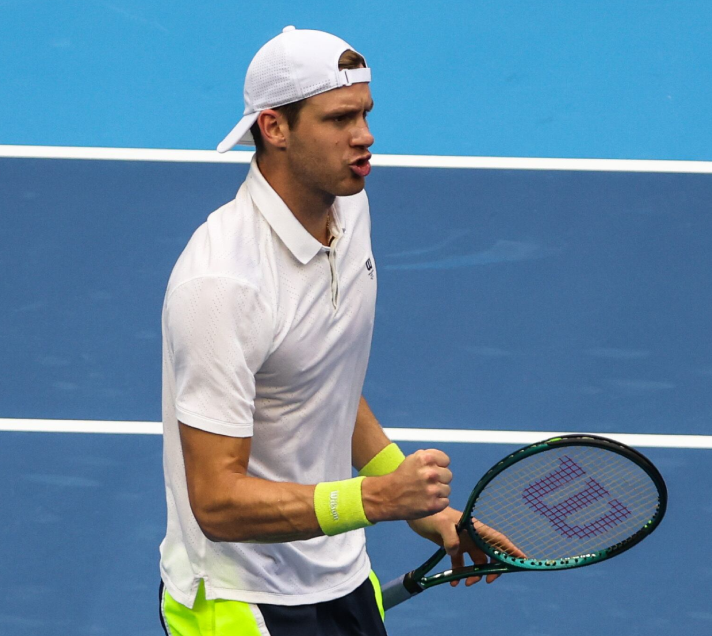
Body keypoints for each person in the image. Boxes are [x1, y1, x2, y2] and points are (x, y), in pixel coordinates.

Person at [159, 26, 502, 636]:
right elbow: (214, 500)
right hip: (242, 603)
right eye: (340, 118)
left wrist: (423, 511)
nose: (365, 136)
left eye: (366, 114)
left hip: (342, 574)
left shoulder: (349, 208)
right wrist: (376, 501)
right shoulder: (222, 282)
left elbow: (322, 382)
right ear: (274, 128)